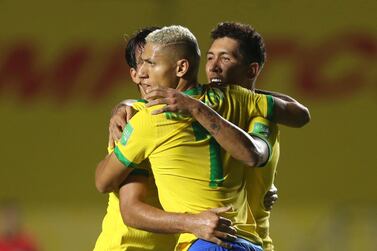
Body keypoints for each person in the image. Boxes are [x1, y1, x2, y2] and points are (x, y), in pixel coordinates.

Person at [95, 25, 309, 251]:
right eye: (141, 64)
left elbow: (259, 150)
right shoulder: (135, 118)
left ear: (181, 66)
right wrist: (193, 222)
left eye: (152, 63)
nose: (143, 73)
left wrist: (195, 107)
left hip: (215, 241)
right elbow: (126, 205)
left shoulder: (239, 105)